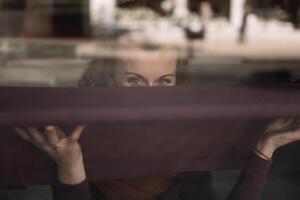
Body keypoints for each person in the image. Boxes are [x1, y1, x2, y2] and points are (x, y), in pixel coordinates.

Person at [15, 45, 300, 200]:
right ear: (106, 82)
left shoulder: (185, 145)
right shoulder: (77, 142)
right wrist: (72, 170)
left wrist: (266, 147)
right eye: (135, 81)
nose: (151, 96)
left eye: (164, 81)